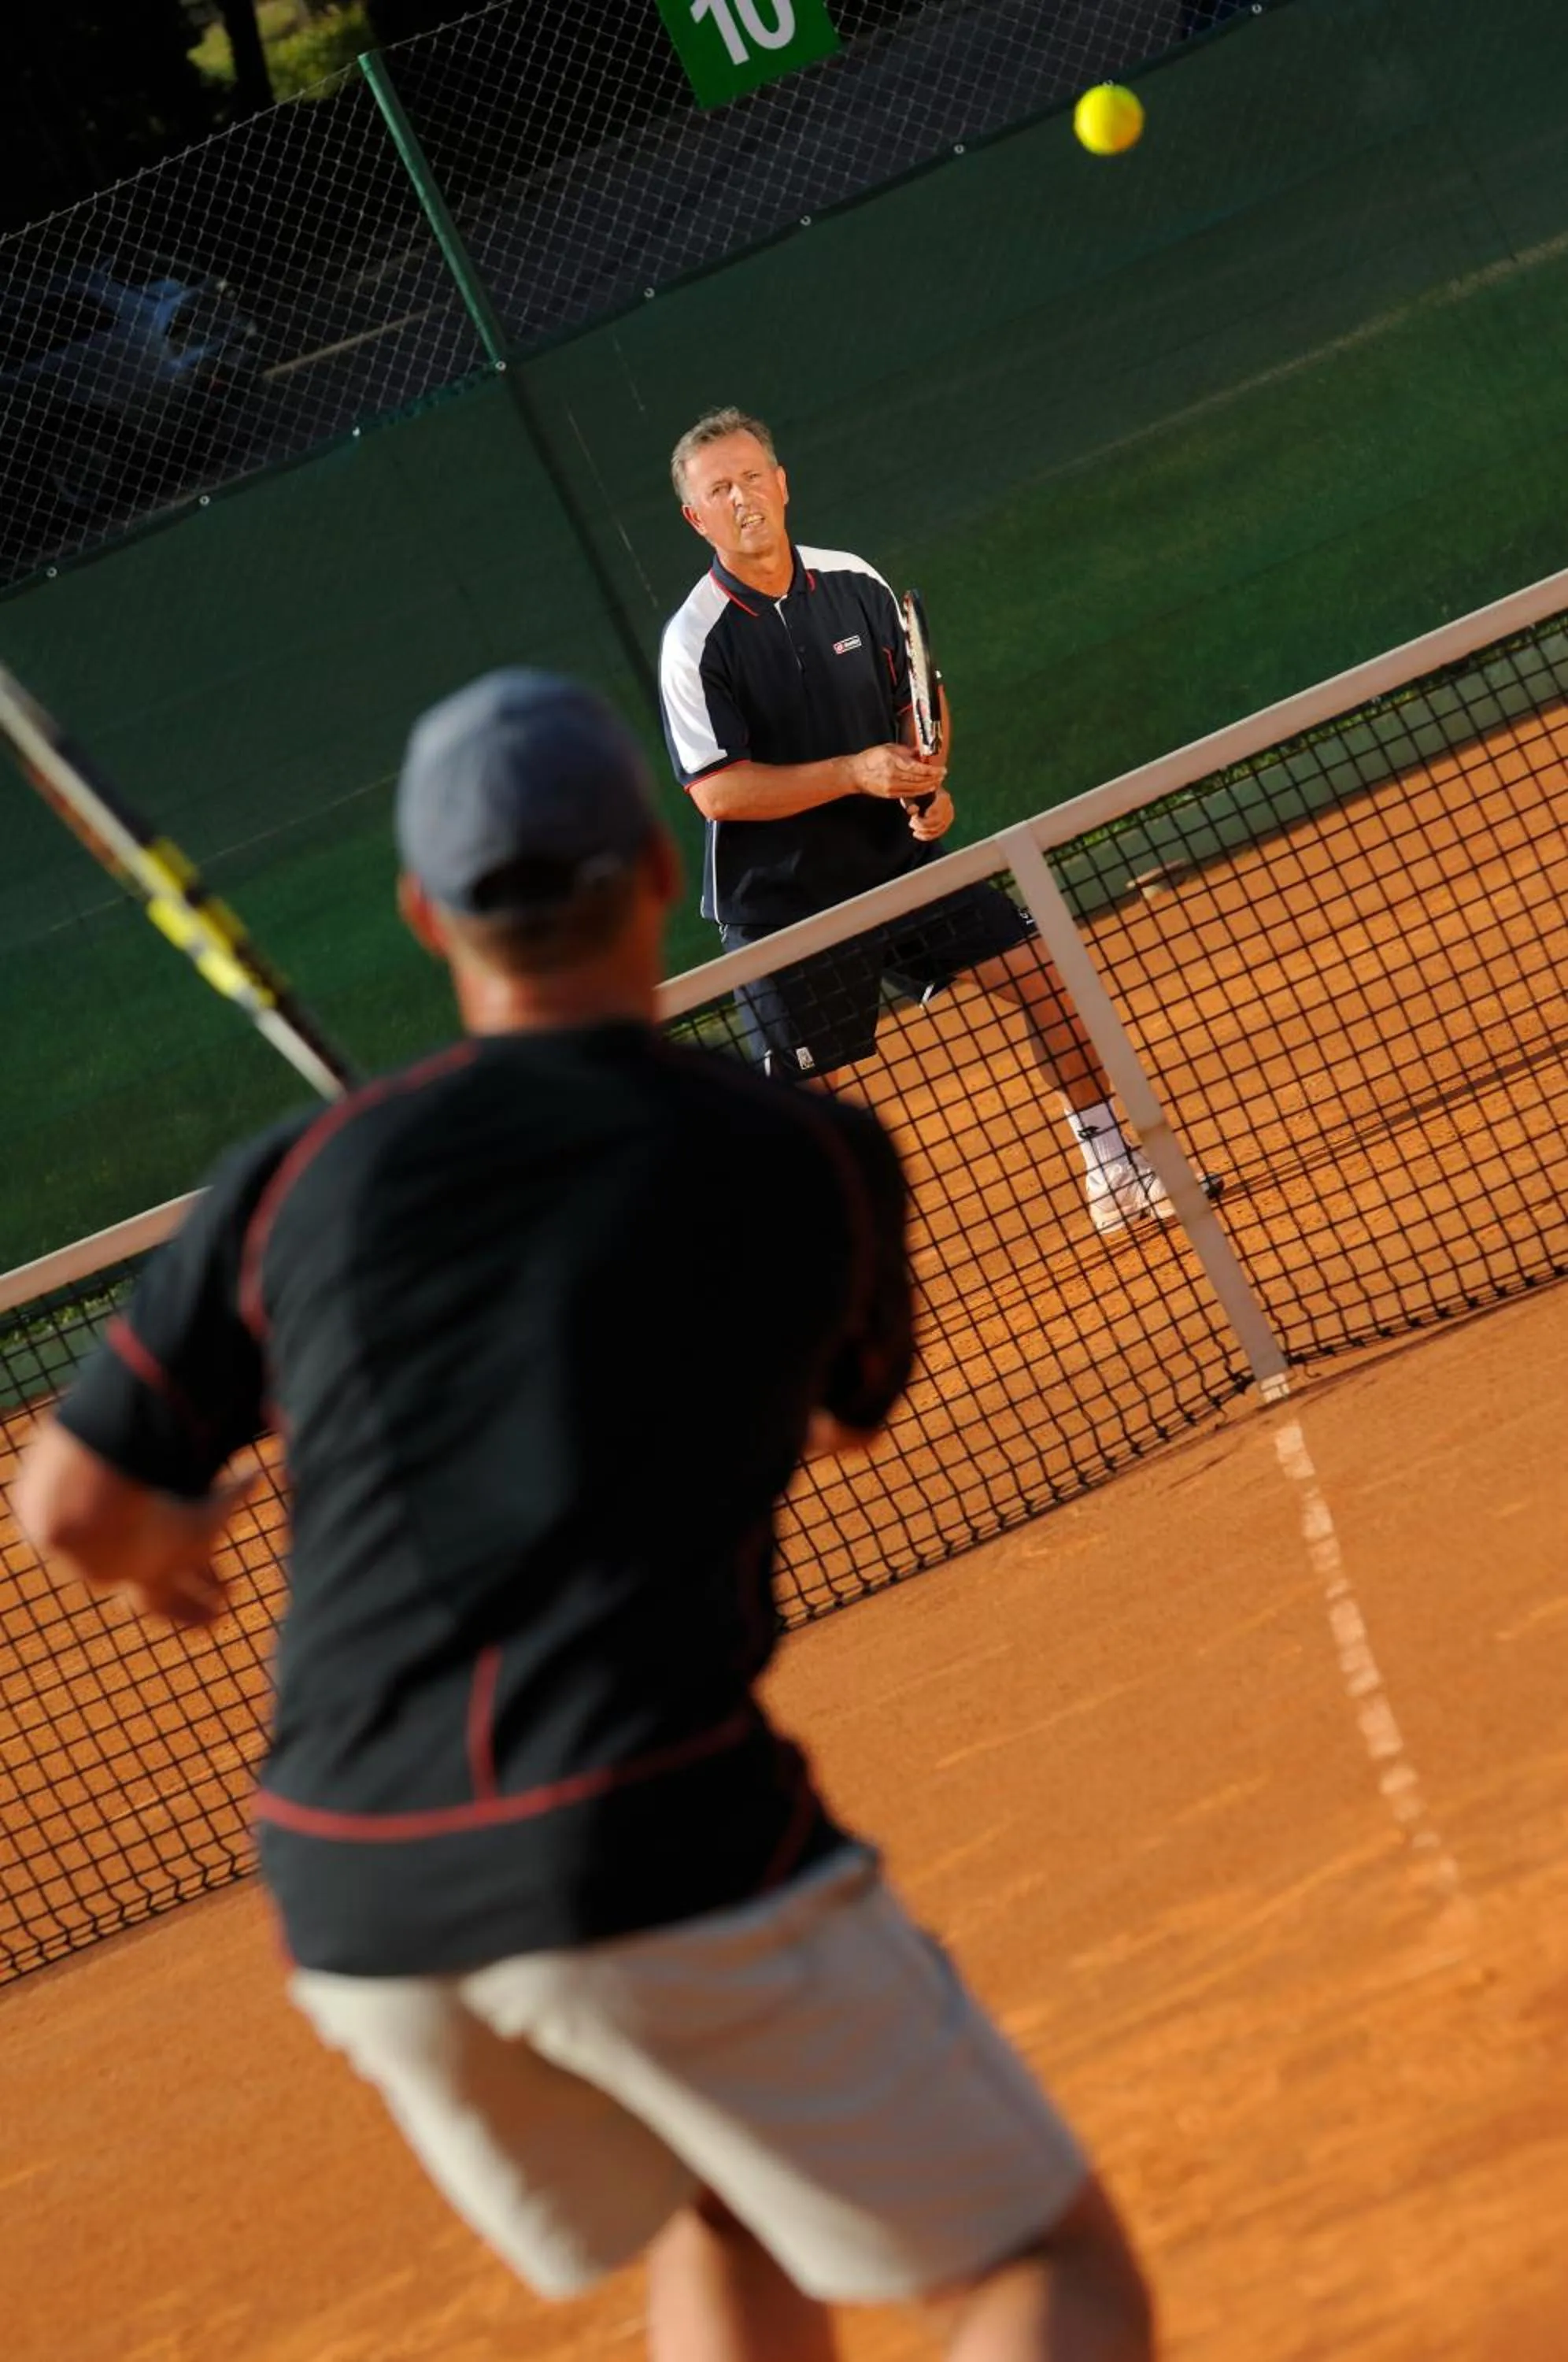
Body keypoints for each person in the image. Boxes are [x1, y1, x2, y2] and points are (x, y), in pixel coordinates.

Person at [15, 672, 1155, 2362]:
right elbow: (843, 1415)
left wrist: (175, 1540)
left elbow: (76, 1508)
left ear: (422, 914)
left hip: (355, 1904)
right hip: (641, 1825)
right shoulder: (798, 1154)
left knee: (726, 2196)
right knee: (1041, 2266)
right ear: (647, 871)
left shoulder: (300, 1179)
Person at [658, 405, 1171, 1238]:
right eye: (721, 488)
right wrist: (856, 772)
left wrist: (928, 782)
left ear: (783, 483)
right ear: (697, 517)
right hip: (784, 906)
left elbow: (920, 704)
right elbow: (719, 793)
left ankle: (1114, 1165)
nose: (744, 497)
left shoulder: (853, 582)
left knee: (1045, 976)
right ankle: (834, 1272)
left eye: (755, 476)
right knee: (799, 1115)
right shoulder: (696, 642)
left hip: (897, 862)